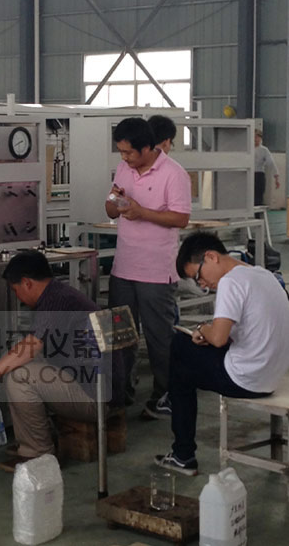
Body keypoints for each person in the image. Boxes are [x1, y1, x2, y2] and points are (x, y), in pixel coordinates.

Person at [0, 250, 123, 472]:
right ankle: (36, 439)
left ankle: (38, 455)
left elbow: (32, 346)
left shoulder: (55, 301)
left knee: (19, 377)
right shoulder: (59, 293)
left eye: (15, 290)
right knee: (19, 364)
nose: (17, 296)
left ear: (27, 283)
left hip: (97, 396)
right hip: (100, 385)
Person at [155, 232, 289, 475]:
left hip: (246, 379)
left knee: (180, 348)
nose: (202, 285)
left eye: (198, 276)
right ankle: (173, 399)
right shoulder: (262, 274)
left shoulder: (230, 282)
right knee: (191, 353)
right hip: (273, 375)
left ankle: (183, 453)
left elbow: (218, 338)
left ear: (211, 257)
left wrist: (202, 329)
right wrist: (209, 332)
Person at [106, 117, 191, 419]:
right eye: (121, 152)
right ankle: (120, 393)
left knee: (159, 339)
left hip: (156, 270)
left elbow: (180, 218)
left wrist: (142, 212)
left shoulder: (174, 174)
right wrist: (116, 203)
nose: (124, 157)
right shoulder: (123, 168)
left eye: (129, 152)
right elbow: (110, 207)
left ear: (147, 148)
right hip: (123, 267)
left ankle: (165, 396)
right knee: (120, 336)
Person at [254, 129, 279, 206]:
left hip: (259, 175)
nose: (255, 139)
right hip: (247, 175)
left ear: (260, 138)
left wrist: (276, 177)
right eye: (254, 137)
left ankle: (258, 212)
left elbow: (271, 163)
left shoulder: (264, 150)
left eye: (257, 137)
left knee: (258, 197)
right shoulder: (247, 149)